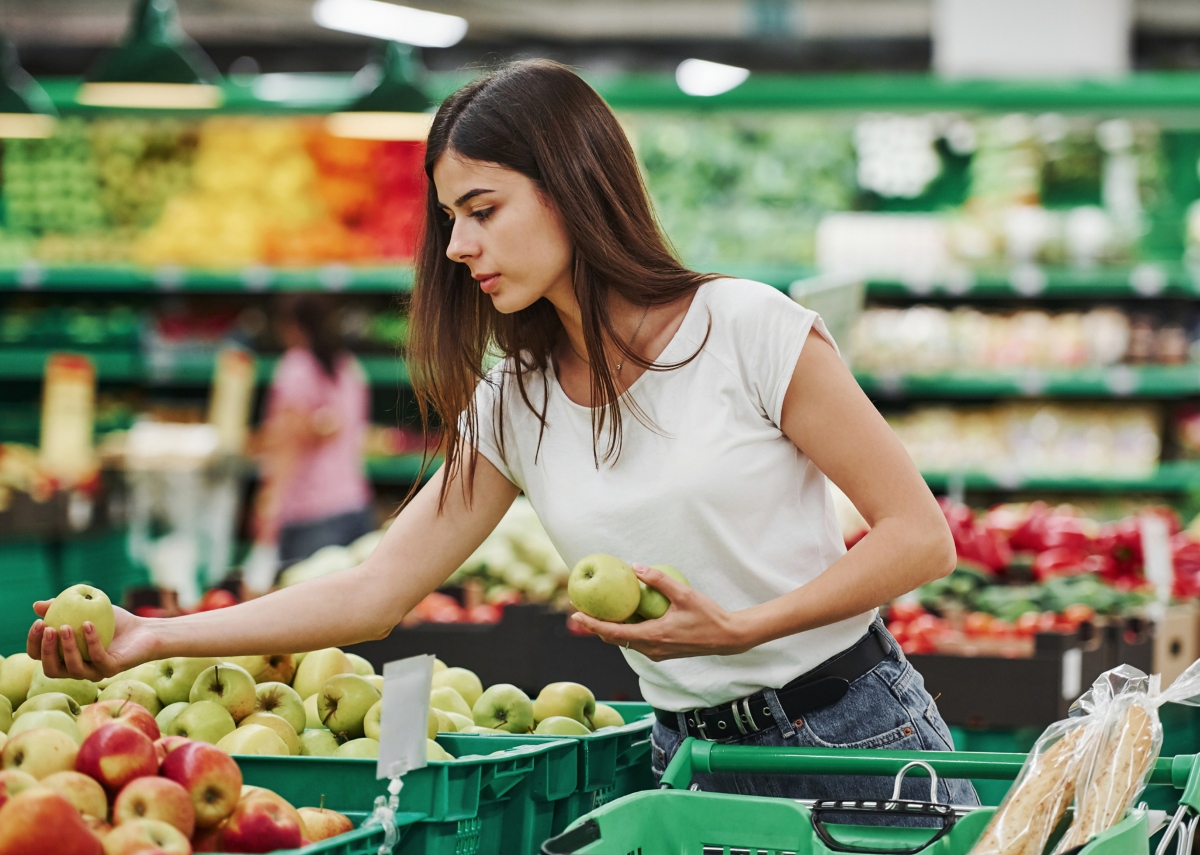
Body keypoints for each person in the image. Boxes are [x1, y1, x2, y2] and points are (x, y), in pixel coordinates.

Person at [29, 60, 976, 808]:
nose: (456, 248)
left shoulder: (747, 329)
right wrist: (154, 638)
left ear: (571, 186)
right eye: (449, 219)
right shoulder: (513, 402)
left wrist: (740, 629)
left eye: (482, 211)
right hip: (684, 761)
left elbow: (916, 535)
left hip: (851, 736)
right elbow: (371, 592)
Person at [253, 294, 375, 570]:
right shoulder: (349, 369)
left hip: (310, 514)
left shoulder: (296, 368)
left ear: (292, 326)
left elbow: (289, 444)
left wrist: (269, 506)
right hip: (354, 504)